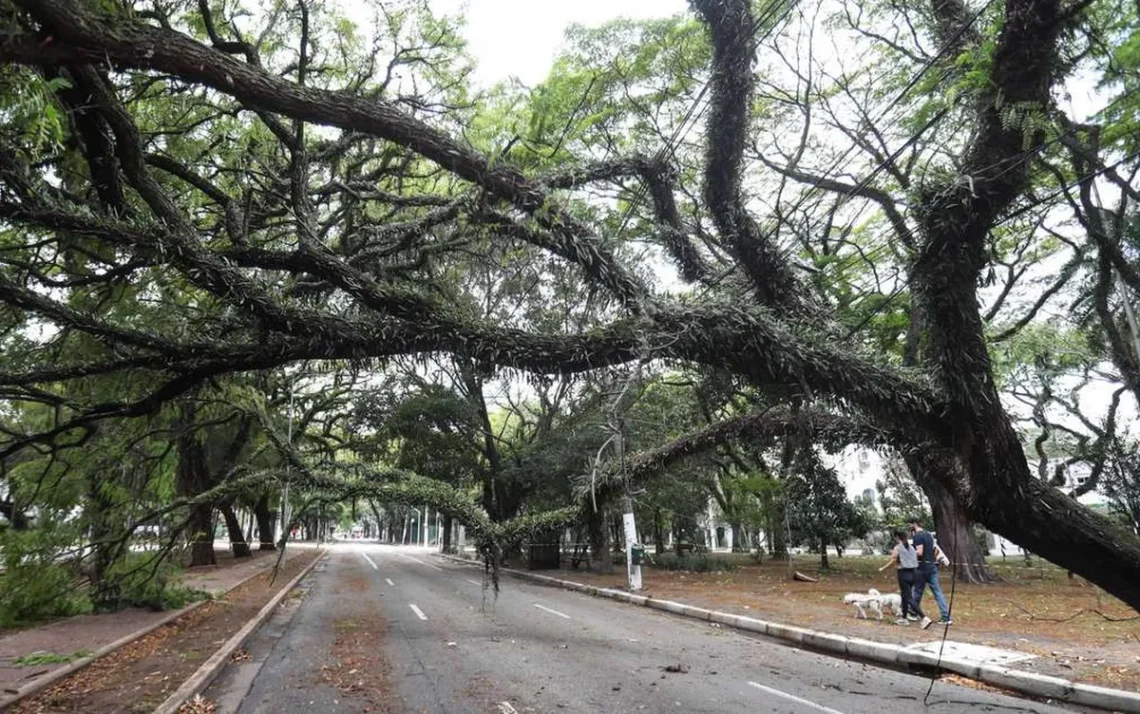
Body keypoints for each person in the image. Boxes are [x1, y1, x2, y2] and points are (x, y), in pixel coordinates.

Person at [909, 518, 951, 627]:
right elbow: (934, 549)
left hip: (921, 568)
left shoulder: (917, 536)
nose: (909, 527)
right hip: (932, 567)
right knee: (937, 592)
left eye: (910, 524)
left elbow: (919, 552)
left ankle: (912, 613)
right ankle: (946, 617)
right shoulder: (929, 535)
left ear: (914, 524)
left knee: (917, 591)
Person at [878, 529, 923, 626]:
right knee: (904, 597)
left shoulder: (898, 548)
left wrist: (883, 568)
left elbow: (893, 560)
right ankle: (904, 618)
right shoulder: (911, 547)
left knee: (908, 597)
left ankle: (924, 617)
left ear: (897, 537)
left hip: (903, 574)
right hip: (913, 573)